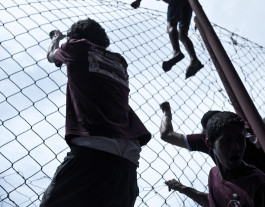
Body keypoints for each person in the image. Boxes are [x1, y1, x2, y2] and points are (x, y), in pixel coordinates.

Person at [41, 18, 151, 207]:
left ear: (74, 36)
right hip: (128, 160)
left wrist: (56, 38)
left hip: (93, 147)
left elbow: (51, 56)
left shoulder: (74, 46)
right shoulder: (120, 61)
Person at [205, 111, 265, 206]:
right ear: (209, 144)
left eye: (240, 139)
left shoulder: (259, 185)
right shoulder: (213, 175)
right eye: (227, 140)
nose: (236, 147)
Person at [131, 0, 204, 79]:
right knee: (182, 35)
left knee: (171, 24)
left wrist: (138, 1)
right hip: (189, 4)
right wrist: (199, 15)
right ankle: (194, 60)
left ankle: (177, 52)